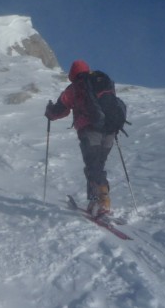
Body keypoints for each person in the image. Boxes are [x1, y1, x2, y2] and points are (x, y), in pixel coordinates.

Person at [45, 59, 115, 217]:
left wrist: (50, 112)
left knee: (92, 167)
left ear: (72, 74)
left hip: (90, 131)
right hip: (110, 131)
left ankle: (103, 202)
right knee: (98, 166)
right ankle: (95, 201)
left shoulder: (74, 88)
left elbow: (61, 110)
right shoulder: (103, 82)